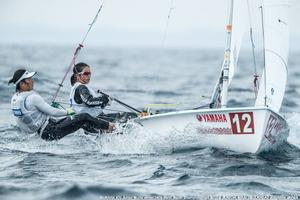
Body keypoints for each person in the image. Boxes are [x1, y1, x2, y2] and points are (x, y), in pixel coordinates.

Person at [9, 69, 114, 141]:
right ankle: (112, 128)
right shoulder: (32, 97)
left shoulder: (15, 99)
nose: (32, 81)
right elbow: (53, 112)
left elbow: (24, 119)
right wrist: (69, 111)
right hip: (51, 131)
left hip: (43, 132)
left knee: (79, 120)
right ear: (22, 84)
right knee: (84, 116)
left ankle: (102, 133)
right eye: (29, 79)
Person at [69, 62, 138, 124]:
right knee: (130, 116)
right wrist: (104, 99)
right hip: (94, 121)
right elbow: (89, 101)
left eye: (90, 73)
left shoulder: (74, 88)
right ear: (78, 76)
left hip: (92, 122)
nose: (89, 76)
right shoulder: (81, 88)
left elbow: (92, 108)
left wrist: (105, 102)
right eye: (86, 73)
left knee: (126, 117)